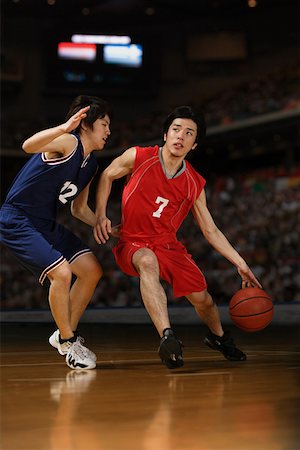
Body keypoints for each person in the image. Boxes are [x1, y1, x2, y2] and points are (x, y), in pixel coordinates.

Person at [93, 105, 262, 369]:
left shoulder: (194, 183)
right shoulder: (138, 156)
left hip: (168, 245)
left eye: (189, 133)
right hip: (133, 241)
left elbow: (210, 230)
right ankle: (167, 337)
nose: (180, 136)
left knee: (203, 300)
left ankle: (218, 337)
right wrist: (101, 215)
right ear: (165, 134)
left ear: (194, 145)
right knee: (147, 261)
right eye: (176, 130)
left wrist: (240, 263)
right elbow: (106, 175)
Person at [0, 95, 112, 370]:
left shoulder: (91, 164)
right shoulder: (69, 142)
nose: (109, 131)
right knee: (61, 273)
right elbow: (28, 146)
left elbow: (78, 209)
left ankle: (63, 334)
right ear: (86, 124)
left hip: (44, 222)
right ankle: (67, 341)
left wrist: (105, 223)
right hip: (17, 218)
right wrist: (64, 127)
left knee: (91, 270)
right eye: (105, 124)